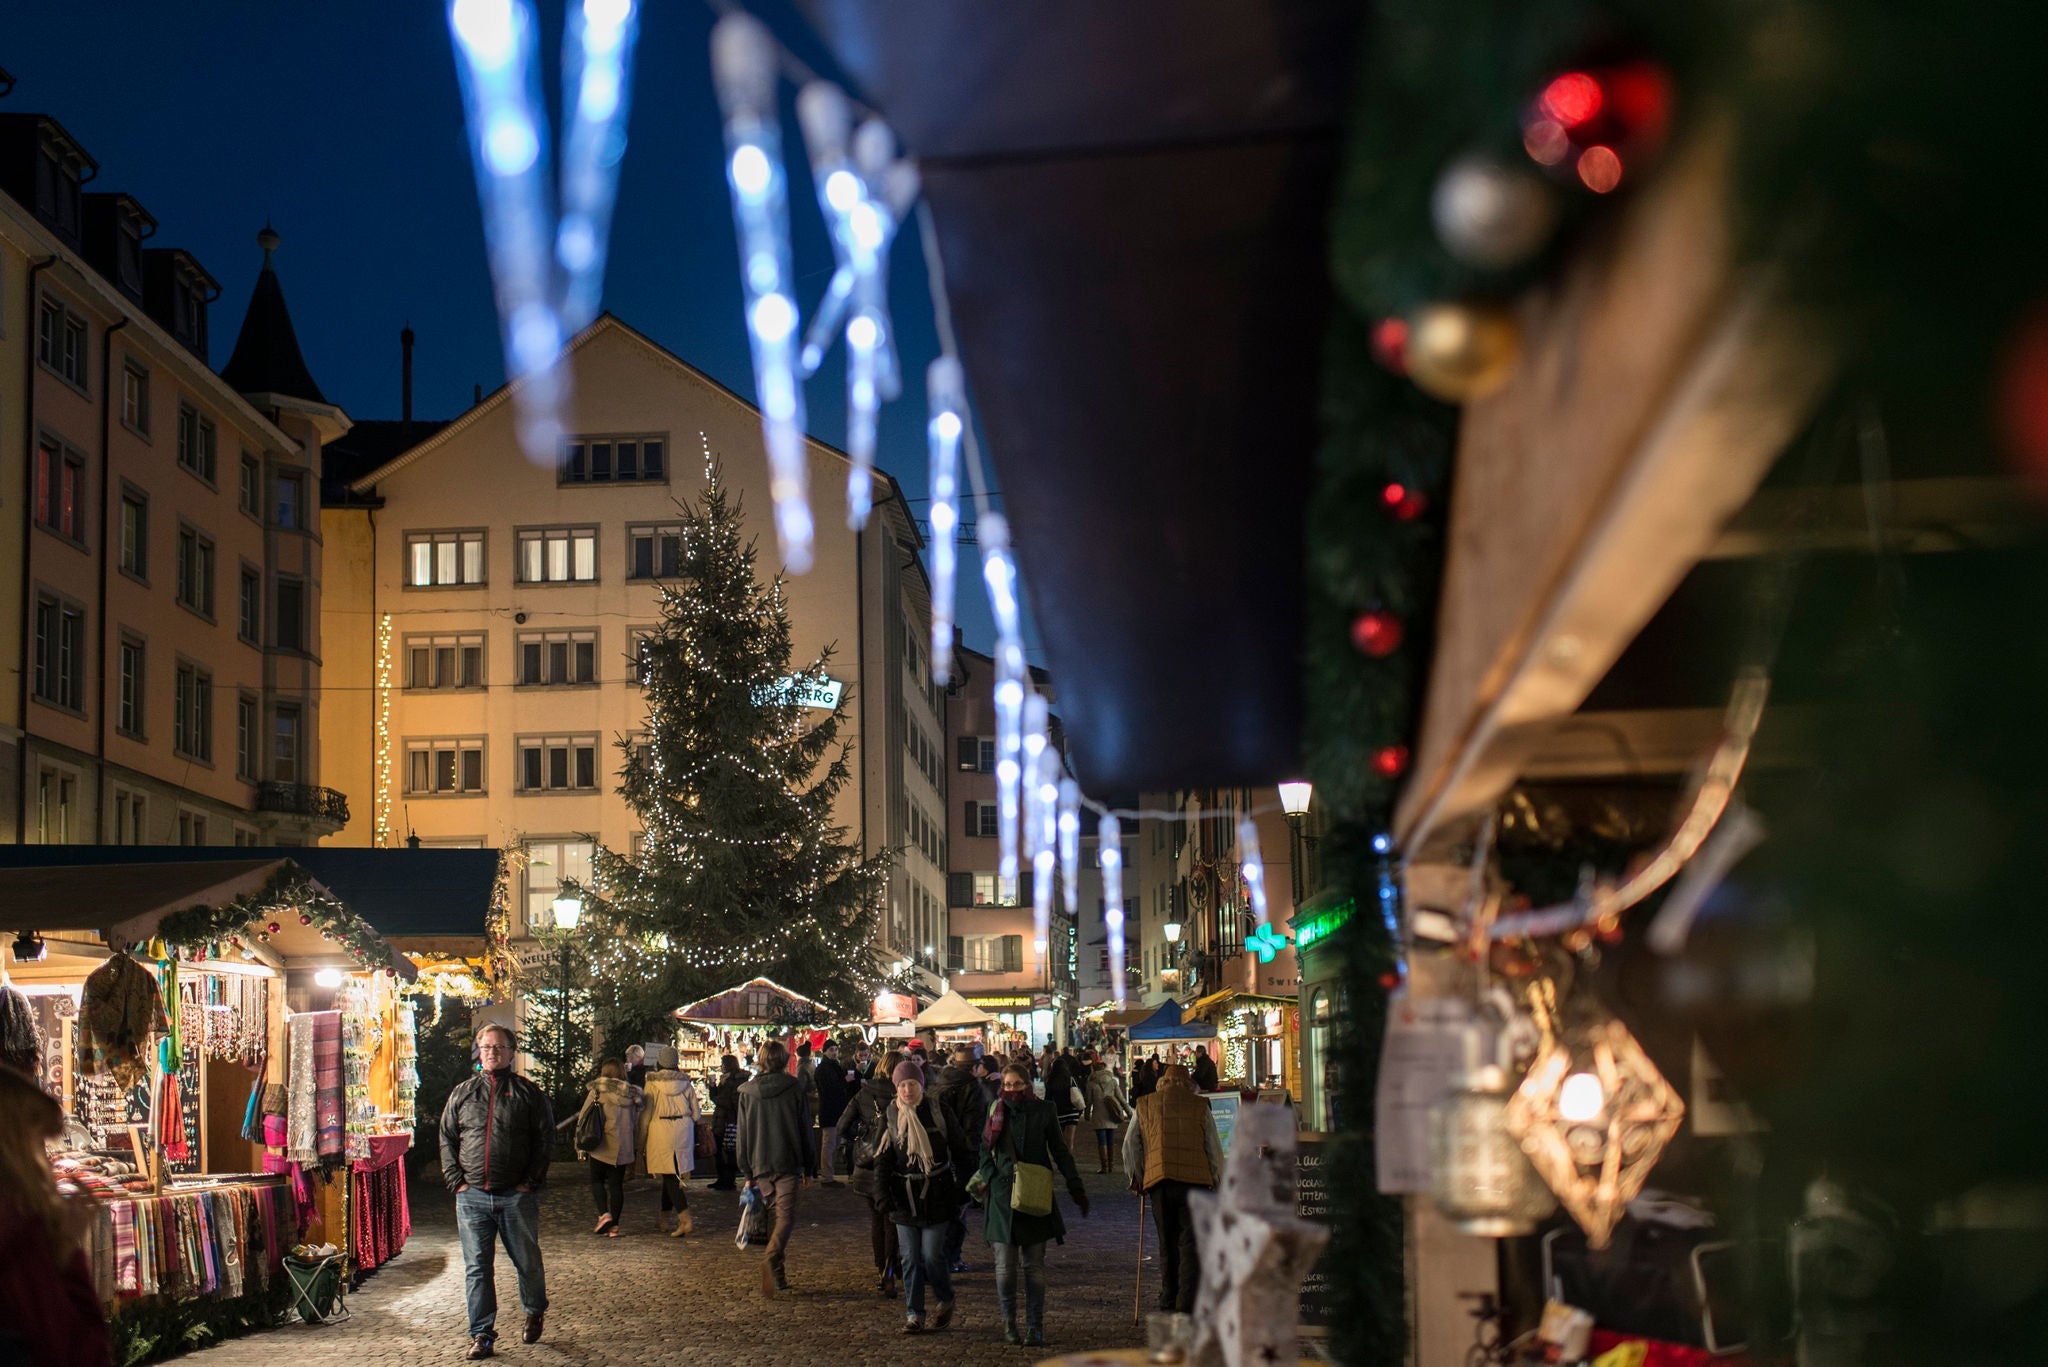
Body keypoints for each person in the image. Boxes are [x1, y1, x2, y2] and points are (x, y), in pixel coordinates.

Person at [441, 1023, 554, 1360]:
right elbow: (447, 1137)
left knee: (527, 1261)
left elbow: (544, 1139)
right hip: (472, 1195)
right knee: (477, 1267)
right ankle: (481, 1333)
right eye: (486, 1047)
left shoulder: (528, 1093)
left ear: (511, 1052)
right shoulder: (462, 1092)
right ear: (479, 1049)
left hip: (515, 1195)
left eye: (499, 1047)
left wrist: (531, 1181)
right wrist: (456, 1181)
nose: (492, 1052)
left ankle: (534, 1310)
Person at [968, 1062, 1090, 1347]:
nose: (1011, 1090)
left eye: (1017, 1084)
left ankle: (1035, 1325)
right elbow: (985, 1152)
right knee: (1005, 1269)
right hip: (1001, 1198)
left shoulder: (1044, 1110)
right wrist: (986, 1177)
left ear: (1027, 1084)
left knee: (1033, 1267)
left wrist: (1075, 1185)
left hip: (1034, 1194)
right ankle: (1009, 1323)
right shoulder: (995, 1110)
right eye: (1007, 1085)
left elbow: (1059, 1151)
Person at [0, 1065, 113, 1367]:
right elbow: (75, 1349)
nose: (43, 1157)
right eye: (36, 1142)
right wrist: (63, 1250)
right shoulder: (18, 1234)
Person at [874, 1061, 978, 1334]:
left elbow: (961, 1150)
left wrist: (962, 1188)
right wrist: (882, 1193)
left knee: (932, 1256)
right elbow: (882, 1160)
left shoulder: (938, 1111)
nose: (907, 1090)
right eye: (902, 1084)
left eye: (912, 1083)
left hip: (937, 1193)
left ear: (921, 1085)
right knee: (909, 1259)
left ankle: (944, 1299)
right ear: (896, 1087)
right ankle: (914, 1313)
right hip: (903, 1196)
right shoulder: (891, 1115)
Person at [1123, 1062, 1223, 1313]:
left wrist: (1138, 1176)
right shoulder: (1201, 1105)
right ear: (1190, 1085)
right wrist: (1216, 1178)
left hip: (1160, 1181)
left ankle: (1168, 1295)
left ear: (1162, 1083)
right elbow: (1212, 1146)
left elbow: (1130, 1144)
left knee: (1166, 1240)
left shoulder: (1144, 1104)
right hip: (1195, 1182)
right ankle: (1186, 1301)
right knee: (1190, 1243)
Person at [735, 1038, 812, 1296]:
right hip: (787, 1159)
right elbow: (805, 1129)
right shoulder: (794, 1089)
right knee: (785, 1217)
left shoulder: (748, 1092)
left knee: (774, 1217)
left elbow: (742, 1134)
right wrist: (809, 1166)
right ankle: (771, 1259)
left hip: (760, 1161)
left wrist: (746, 1170)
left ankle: (778, 1274)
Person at [845, 1048, 907, 1295]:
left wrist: (861, 1140)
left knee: (876, 1218)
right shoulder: (903, 1093)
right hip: (896, 1164)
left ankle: (882, 1267)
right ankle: (889, 1269)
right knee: (891, 1219)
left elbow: (842, 1126)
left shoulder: (864, 1093)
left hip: (868, 1165)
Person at [930, 1044, 989, 1273]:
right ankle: (951, 1257)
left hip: (936, 1155)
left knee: (941, 1209)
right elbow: (973, 1127)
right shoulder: (972, 1088)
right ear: (974, 1067)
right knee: (959, 1208)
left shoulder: (937, 1084)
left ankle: (938, 1256)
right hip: (961, 1156)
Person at [576, 1058, 644, 1237]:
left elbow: (584, 1117)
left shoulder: (598, 1091)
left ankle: (603, 1214)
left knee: (596, 1180)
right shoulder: (632, 1095)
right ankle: (614, 1226)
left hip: (601, 1145)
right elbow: (636, 1122)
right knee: (616, 1186)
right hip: (623, 1147)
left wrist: (579, 1143)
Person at [639, 1045, 700, 1236]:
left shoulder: (652, 1084)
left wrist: (640, 1140)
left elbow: (646, 1113)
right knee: (671, 1173)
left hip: (660, 1130)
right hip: (683, 1129)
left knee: (669, 1175)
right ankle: (663, 1218)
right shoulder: (686, 1083)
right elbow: (697, 1114)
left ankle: (685, 1218)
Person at [1084, 1055, 1133, 1173]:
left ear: (1094, 1070)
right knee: (1111, 1139)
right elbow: (1121, 1098)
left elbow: (1089, 1101)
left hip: (1098, 1114)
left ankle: (1104, 1166)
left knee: (1102, 1140)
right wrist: (1129, 1112)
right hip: (1112, 1113)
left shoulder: (1091, 1083)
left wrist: (1086, 1114)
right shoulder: (1112, 1081)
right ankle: (1111, 1165)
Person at [815, 1038, 852, 1186]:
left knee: (834, 1143)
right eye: (831, 1050)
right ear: (825, 1051)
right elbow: (829, 1089)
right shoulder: (824, 1068)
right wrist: (845, 1081)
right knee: (829, 1143)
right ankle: (827, 1176)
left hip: (836, 1111)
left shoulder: (834, 1066)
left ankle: (829, 1175)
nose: (834, 1052)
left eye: (836, 1049)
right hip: (830, 1110)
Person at [708, 1054, 744, 1190]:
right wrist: (712, 1086)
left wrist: (718, 1099)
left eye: (723, 1064)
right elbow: (716, 1098)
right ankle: (722, 1178)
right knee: (718, 1149)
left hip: (729, 1120)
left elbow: (730, 1101)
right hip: (720, 1119)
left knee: (728, 1151)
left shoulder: (736, 1081)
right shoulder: (725, 1079)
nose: (721, 1067)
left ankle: (728, 1180)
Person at [1045, 1047, 1084, 1154]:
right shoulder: (1070, 1079)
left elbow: (1047, 1099)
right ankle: (1069, 1158)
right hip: (1072, 1111)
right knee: (1070, 1140)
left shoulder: (1050, 1081)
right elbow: (1078, 1093)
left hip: (1059, 1112)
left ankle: (1062, 1158)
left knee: (1060, 1139)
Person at [794, 1039, 822, 1178]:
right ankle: (813, 1167)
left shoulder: (802, 1067)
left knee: (805, 1134)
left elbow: (800, 1087)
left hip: (807, 1103)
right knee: (810, 1134)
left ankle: (809, 1168)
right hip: (814, 1101)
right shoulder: (811, 1065)